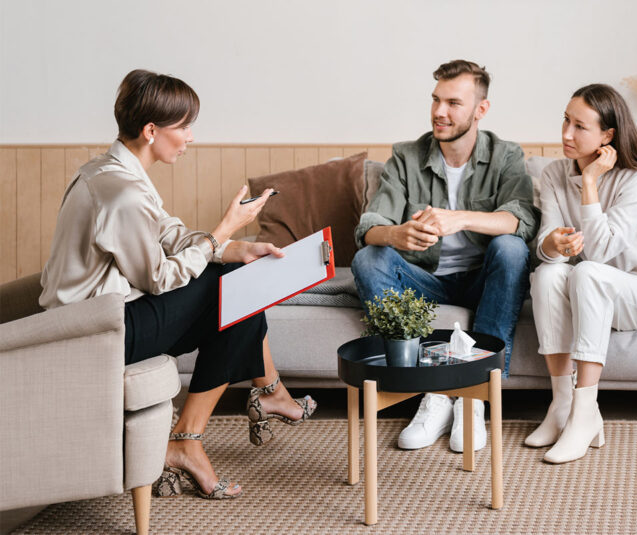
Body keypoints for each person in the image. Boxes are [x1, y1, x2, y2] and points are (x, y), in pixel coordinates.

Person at [39, 69, 317, 499]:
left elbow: (169, 233)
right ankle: (207, 429)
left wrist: (235, 248)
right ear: (151, 130)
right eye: (184, 126)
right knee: (233, 293)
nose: (190, 137)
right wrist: (223, 230)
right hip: (93, 334)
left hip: (105, 319)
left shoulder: (113, 171)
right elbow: (158, 278)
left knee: (237, 285)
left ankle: (201, 433)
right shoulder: (121, 193)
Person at [351, 60, 537, 453]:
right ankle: (432, 392)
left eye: (453, 102)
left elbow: (521, 221)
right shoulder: (405, 157)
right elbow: (369, 226)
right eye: (436, 100)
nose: (439, 112)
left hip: (484, 281)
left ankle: (474, 396)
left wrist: (460, 219)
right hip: (424, 283)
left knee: (510, 247)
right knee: (370, 258)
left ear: (480, 110)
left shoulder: (506, 156)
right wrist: (395, 234)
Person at [525, 84, 637, 463]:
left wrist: (591, 181)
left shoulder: (636, 179)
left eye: (579, 126)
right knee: (546, 276)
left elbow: (598, 252)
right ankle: (561, 406)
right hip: (590, 290)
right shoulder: (553, 174)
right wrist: (553, 245)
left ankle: (585, 415)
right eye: (565, 120)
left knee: (589, 272)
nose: (565, 133)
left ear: (607, 136)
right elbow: (544, 243)